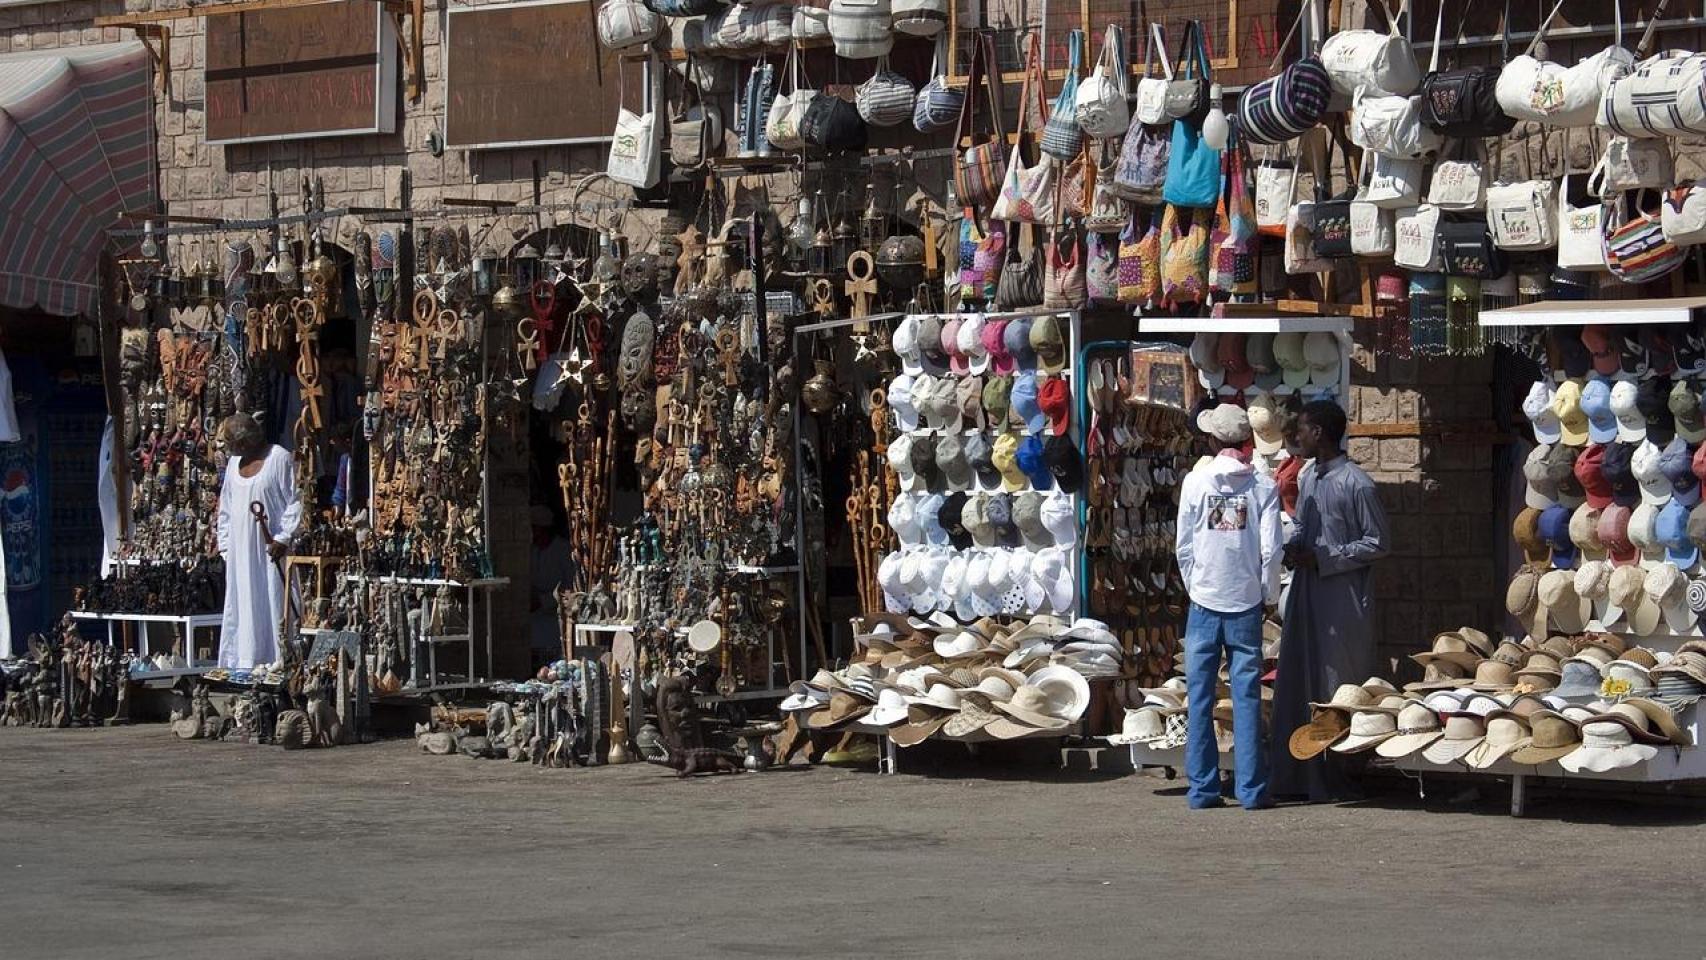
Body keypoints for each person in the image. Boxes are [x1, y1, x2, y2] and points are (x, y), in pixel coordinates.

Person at [1270, 400, 1391, 802]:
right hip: (1307, 594)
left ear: (1319, 433)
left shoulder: (1357, 483)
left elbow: (1378, 542)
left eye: (1303, 429)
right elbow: (1305, 527)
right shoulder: (1308, 477)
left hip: (1342, 601)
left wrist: (1325, 557)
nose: (1297, 436)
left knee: (1336, 684)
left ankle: (1338, 775)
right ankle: (1298, 772)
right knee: (1300, 678)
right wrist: (1294, 548)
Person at [1175, 403, 1283, 810]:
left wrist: (1195, 586)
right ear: (1248, 440)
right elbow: (1271, 549)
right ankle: (1251, 789)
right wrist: (1268, 595)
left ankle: (1202, 789)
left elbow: (1184, 546)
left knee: (1200, 696)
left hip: (1204, 600)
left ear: (1212, 441)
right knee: (1247, 697)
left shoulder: (1195, 482)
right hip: (1245, 600)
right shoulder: (1262, 485)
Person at [216, 413, 300, 670]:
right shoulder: (233, 465)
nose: (228, 449)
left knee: (273, 601)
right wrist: (227, 548)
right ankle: (243, 664)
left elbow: (295, 501)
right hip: (240, 555)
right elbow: (226, 508)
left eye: (231, 444)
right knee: (242, 606)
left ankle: (278, 661)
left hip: (271, 552)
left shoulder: (279, 459)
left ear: (244, 442)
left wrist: (284, 537)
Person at [530, 505, 574, 660]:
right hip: (534, 624)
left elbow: (569, 588)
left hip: (554, 623)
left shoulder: (563, 550)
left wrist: (543, 601)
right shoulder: (532, 551)